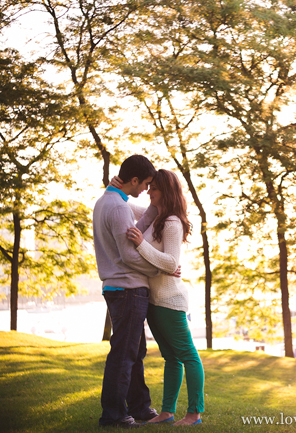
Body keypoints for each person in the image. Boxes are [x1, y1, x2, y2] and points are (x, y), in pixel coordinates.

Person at [112, 169, 205, 426]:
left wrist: (141, 243)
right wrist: (114, 188)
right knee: (171, 358)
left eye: (153, 188)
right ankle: (166, 413)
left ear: (165, 190)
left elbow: (171, 262)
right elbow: (125, 207)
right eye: (149, 187)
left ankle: (194, 413)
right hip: (154, 301)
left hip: (170, 301)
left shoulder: (173, 222)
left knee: (187, 355)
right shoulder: (157, 217)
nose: (149, 191)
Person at [93, 155, 162, 428]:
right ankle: (113, 414)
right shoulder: (118, 208)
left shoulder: (107, 201)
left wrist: (160, 204)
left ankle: (140, 406)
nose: (146, 189)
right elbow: (129, 257)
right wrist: (158, 269)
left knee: (134, 351)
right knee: (124, 354)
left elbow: (146, 214)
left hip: (119, 288)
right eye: (145, 183)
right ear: (134, 180)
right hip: (128, 288)